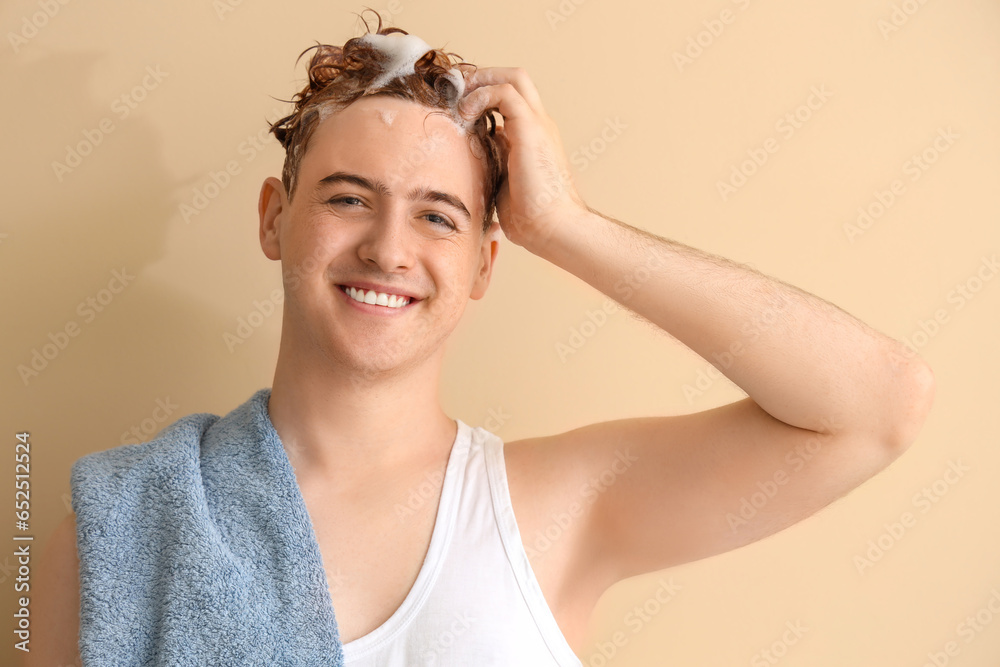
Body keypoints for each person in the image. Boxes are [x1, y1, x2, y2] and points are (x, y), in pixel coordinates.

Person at [31, 9, 935, 666]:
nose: (388, 249)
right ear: (275, 220)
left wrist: (567, 226)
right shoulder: (114, 527)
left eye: (438, 216)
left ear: (486, 266)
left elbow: (878, 407)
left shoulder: (559, 508)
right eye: (349, 197)